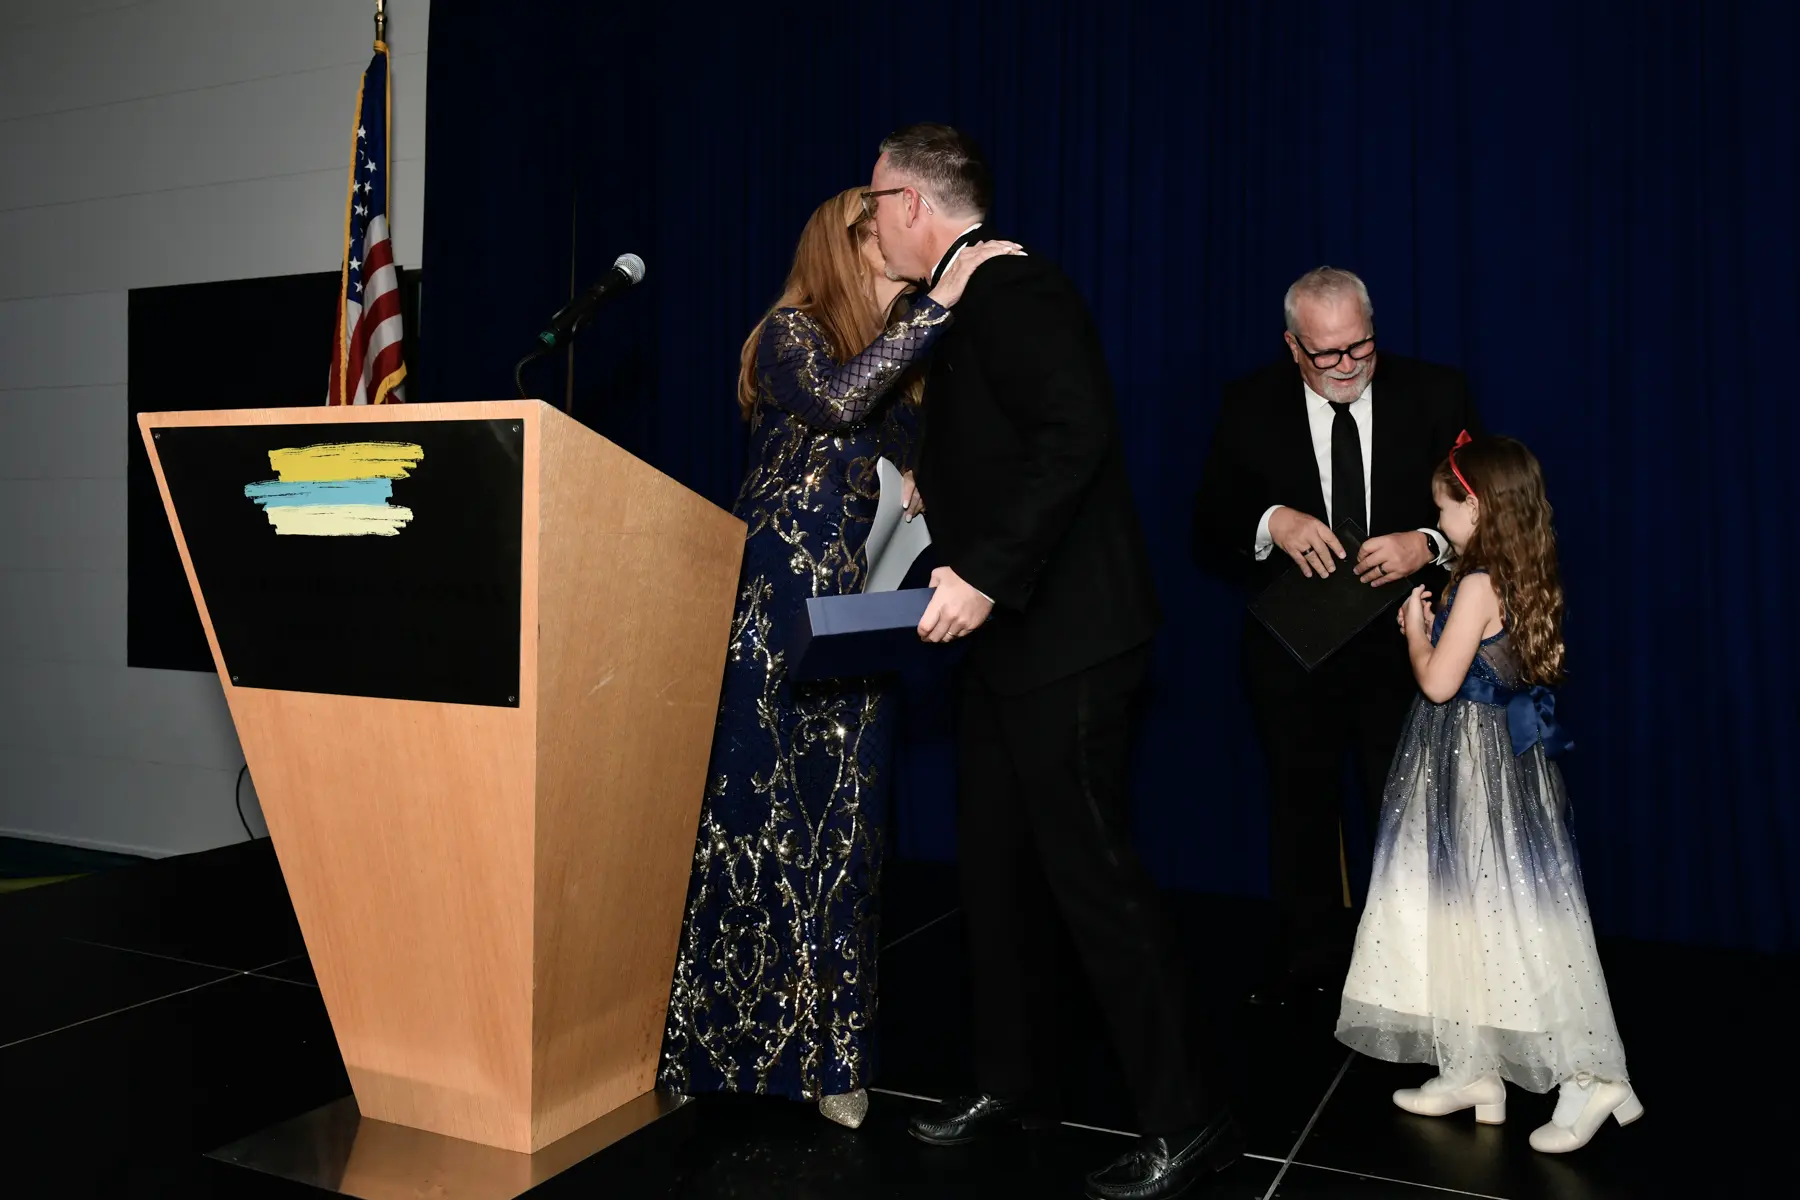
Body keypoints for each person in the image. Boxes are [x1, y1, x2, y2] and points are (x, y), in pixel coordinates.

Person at [867, 123, 1239, 1200]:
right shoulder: (960, 300)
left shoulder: (1015, 287)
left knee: (1095, 884)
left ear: (911, 203)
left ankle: (1190, 1121)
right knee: (993, 876)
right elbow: (1007, 445)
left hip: (1069, 640)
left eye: (874, 200)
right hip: (1006, 646)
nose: (867, 221)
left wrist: (983, 572)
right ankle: (1011, 1082)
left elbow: (1077, 434)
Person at [659, 188, 1020, 1128]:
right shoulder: (791, 335)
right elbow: (834, 401)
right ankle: (710, 1046)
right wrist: (943, 302)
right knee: (746, 818)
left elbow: (908, 451)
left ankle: (835, 1060)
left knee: (848, 832)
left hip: (859, 613)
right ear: (848, 242)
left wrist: (924, 482)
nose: (903, 235)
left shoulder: (907, 366)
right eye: (881, 224)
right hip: (773, 609)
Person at [1337, 434, 1642, 1154]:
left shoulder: (1476, 584)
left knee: (1513, 917)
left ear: (1476, 508)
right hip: (1489, 761)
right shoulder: (1514, 569)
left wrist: (1416, 632)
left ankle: (1593, 1076)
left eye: (1444, 509)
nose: (1439, 523)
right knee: (1469, 914)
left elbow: (1440, 683)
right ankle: (1471, 1067)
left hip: (1474, 763)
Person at [1191, 267, 1482, 1007]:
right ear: (1293, 345)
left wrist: (1428, 544)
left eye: (1361, 346)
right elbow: (1208, 525)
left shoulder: (1437, 393)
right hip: (1293, 653)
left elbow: (1492, 512)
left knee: (1409, 813)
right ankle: (1313, 966)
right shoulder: (1249, 404)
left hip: (1410, 651)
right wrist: (1272, 522)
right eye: (1327, 353)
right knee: (1300, 810)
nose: (1347, 364)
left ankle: (1417, 977)